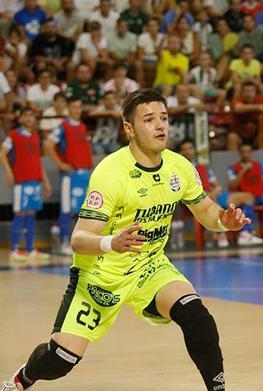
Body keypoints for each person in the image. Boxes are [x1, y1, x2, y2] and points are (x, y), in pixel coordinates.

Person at [2, 89, 250, 391]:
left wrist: (223, 220)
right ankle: (22, 379)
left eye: (164, 118)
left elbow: (206, 211)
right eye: (149, 119)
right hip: (99, 276)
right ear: (129, 129)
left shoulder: (180, 167)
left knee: (197, 317)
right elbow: (79, 239)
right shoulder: (110, 173)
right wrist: (111, 242)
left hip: (149, 267)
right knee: (61, 360)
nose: (160, 126)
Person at [179, 139, 255, 248]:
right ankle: (221, 234)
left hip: (214, 195)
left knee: (248, 197)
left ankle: (245, 233)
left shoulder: (203, 168)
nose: (187, 152)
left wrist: (214, 192)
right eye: (184, 150)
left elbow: (218, 186)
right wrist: (207, 196)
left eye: (190, 148)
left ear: (194, 150)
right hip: (196, 201)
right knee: (211, 202)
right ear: (180, 153)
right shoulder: (179, 170)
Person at [1, 106, 52, 261]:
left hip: (35, 181)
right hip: (21, 182)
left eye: (32, 115)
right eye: (26, 116)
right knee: (20, 214)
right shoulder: (13, 135)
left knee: (31, 215)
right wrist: (8, 171)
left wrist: (46, 181)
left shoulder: (36, 137)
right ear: (21, 118)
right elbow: (2, 153)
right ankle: (14, 250)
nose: (29, 118)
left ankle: (30, 249)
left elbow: (37, 161)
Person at [44, 96, 93, 254]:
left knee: (83, 210)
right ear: (68, 108)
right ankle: (64, 241)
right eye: (74, 107)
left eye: (79, 107)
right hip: (70, 176)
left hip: (84, 174)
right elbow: (48, 145)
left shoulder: (83, 127)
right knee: (67, 208)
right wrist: (61, 164)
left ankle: (75, 240)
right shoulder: (63, 126)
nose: (77, 110)